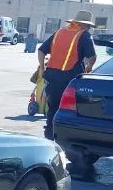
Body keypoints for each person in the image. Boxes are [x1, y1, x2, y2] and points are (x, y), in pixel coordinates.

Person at [37, 10, 97, 140]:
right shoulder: (84, 35)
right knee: (70, 111)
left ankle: (49, 136)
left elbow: (41, 51)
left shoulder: (59, 32)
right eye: (88, 26)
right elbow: (92, 57)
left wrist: (42, 68)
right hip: (70, 78)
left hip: (52, 77)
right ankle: (66, 138)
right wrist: (88, 68)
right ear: (85, 25)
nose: (88, 29)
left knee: (53, 108)